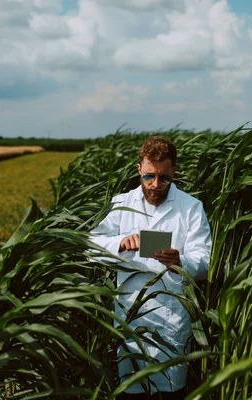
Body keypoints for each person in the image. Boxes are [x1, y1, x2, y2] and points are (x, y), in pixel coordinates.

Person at [89, 136, 212, 399]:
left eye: (164, 178)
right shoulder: (121, 204)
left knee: (169, 391)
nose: (156, 185)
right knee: (130, 390)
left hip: (171, 318)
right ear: (139, 170)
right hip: (130, 316)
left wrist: (181, 261)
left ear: (173, 172)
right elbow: (90, 245)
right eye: (149, 177)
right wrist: (119, 243)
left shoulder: (191, 208)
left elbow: (205, 259)